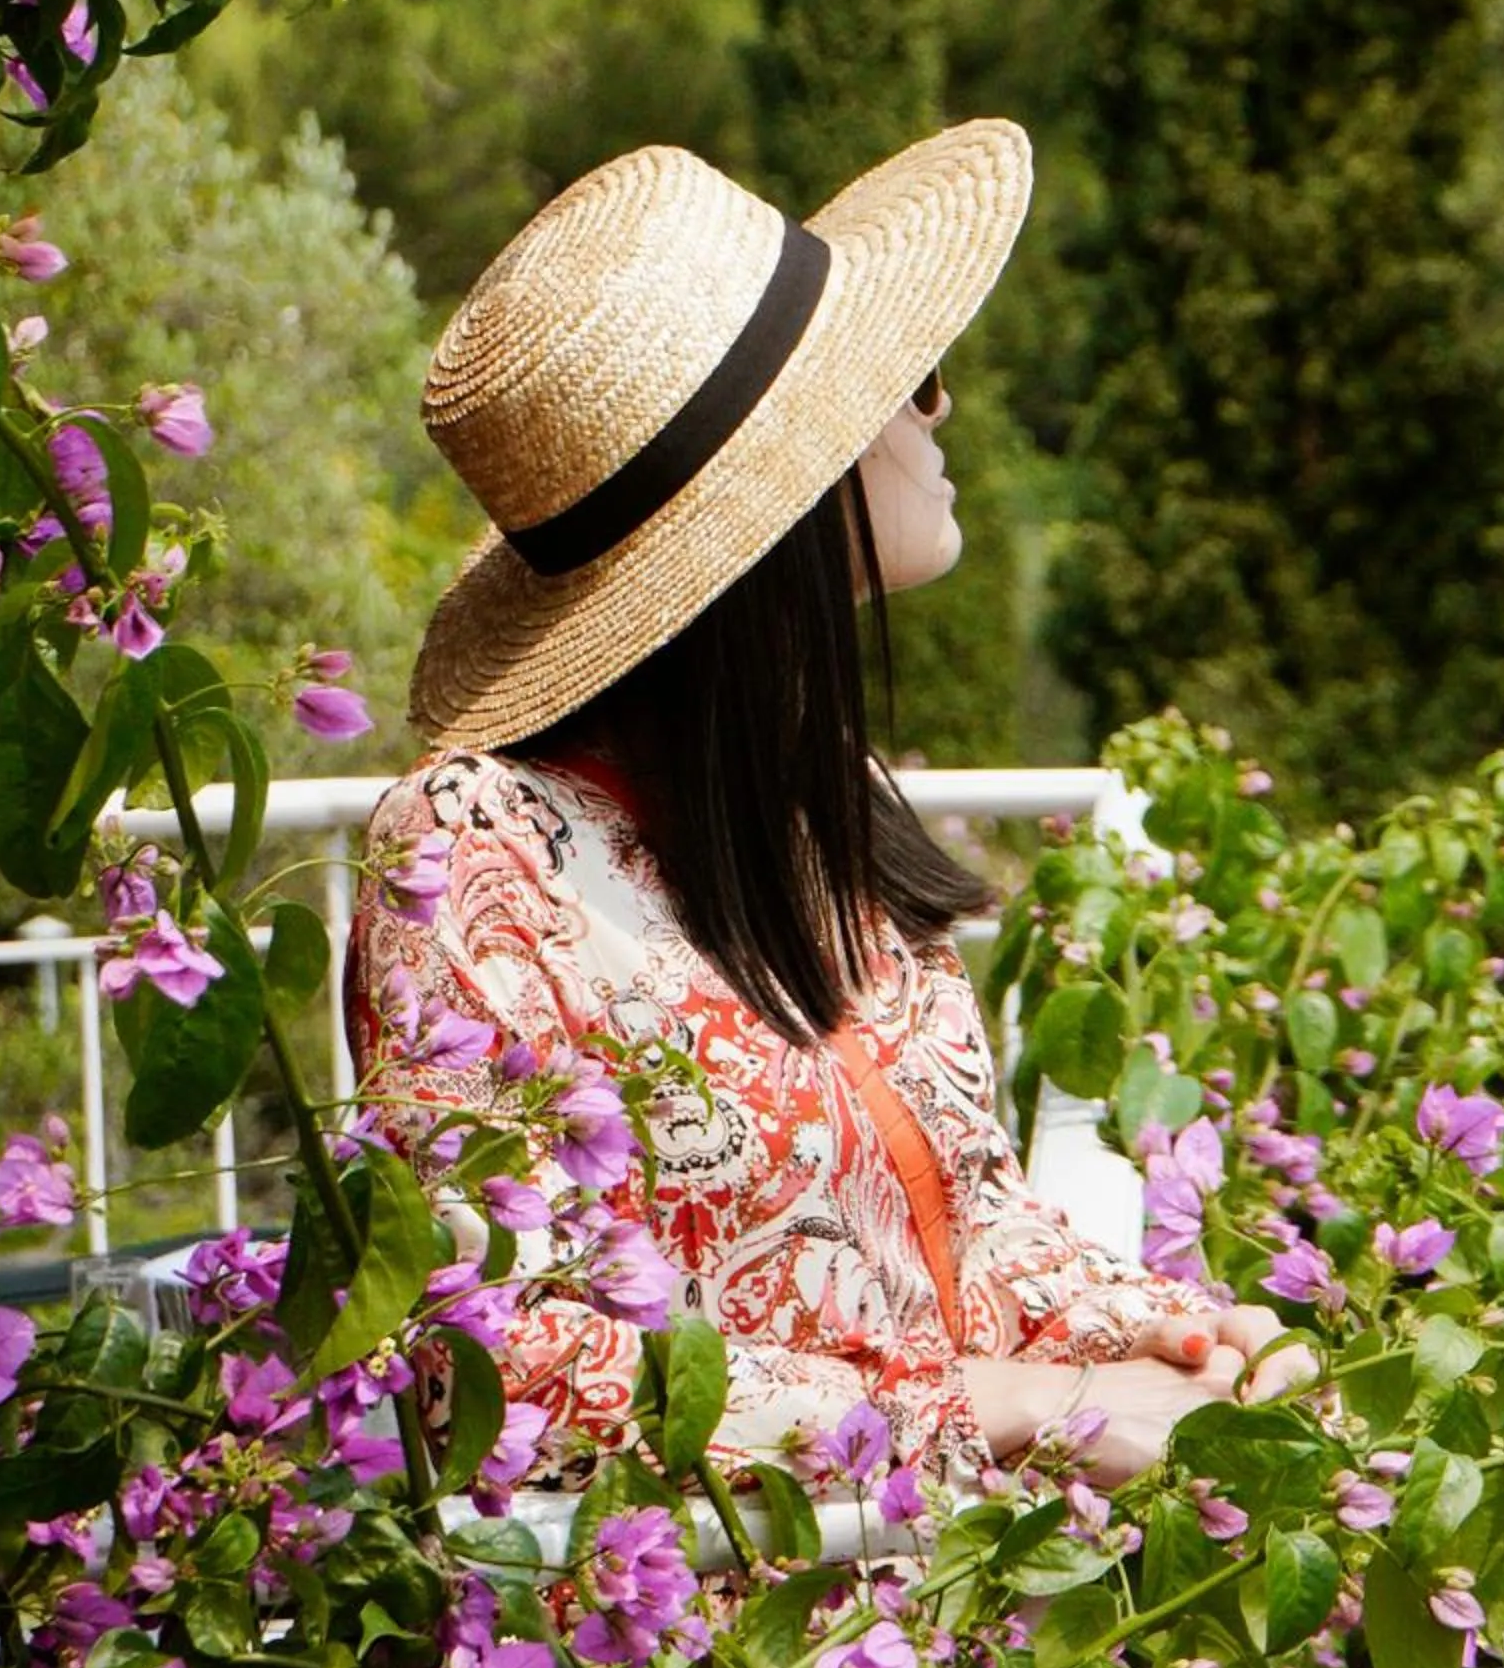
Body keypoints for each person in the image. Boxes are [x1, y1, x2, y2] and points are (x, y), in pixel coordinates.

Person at [346, 122, 1273, 1493]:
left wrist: (1180, 1346)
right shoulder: (475, 850)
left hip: (944, 1599)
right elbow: (483, 1359)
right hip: (739, 1657)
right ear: (786, 496)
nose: (940, 414)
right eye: (910, 383)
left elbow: (973, 1228)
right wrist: (1007, 1406)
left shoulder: (810, 816)